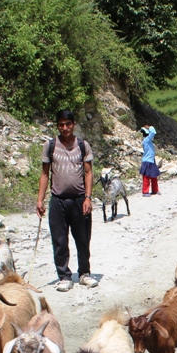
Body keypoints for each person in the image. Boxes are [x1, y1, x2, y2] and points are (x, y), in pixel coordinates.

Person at [36, 109, 98, 292]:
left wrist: (88, 197)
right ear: (57, 125)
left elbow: (88, 173)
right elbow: (44, 174)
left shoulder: (83, 145)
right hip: (58, 201)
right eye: (61, 124)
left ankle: (85, 274)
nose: (65, 128)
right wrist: (40, 200)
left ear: (74, 124)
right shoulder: (50, 146)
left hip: (79, 200)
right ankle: (64, 276)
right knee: (60, 240)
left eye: (68, 124)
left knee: (82, 239)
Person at [139, 125, 160, 196]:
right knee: (146, 177)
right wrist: (150, 127)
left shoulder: (148, 141)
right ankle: (145, 192)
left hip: (151, 160)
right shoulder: (147, 140)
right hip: (147, 161)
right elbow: (153, 132)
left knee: (154, 176)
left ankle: (155, 190)